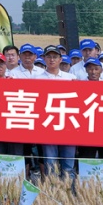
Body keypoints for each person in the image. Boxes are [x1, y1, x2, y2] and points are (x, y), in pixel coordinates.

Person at [35, 45, 76, 178]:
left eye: (55, 57)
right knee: (50, 164)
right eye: (49, 57)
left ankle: (68, 189)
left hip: (68, 126)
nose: (52, 59)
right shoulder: (37, 79)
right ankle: (52, 190)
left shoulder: (71, 78)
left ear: (60, 59)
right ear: (44, 59)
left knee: (68, 166)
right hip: (48, 126)